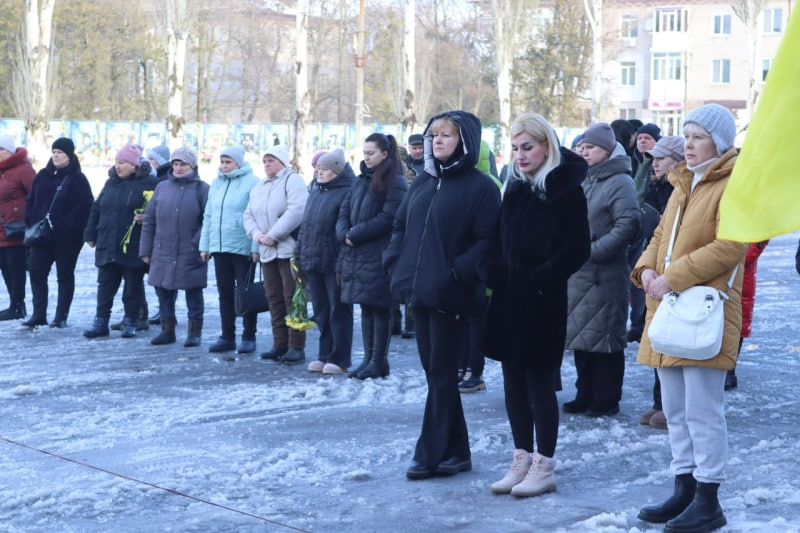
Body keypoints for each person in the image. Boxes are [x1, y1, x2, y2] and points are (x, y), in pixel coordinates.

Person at [632, 104, 747, 532]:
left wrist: (671, 279)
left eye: (698, 136)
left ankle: (708, 499)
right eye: (687, 135)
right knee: (676, 409)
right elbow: (661, 234)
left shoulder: (735, 184)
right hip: (669, 308)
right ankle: (683, 489)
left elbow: (730, 246)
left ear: (719, 141)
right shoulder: (684, 182)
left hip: (704, 310)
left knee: (703, 411)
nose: (689, 144)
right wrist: (645, 268)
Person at [382, 110, 501, 480]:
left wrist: (455, 271)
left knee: (442, 373)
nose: (437, 141)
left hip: (451, 292)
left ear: (464, 141)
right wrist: (393, 258)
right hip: (419, 290)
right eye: (434, 135)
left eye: (446, 135)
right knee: (436, 373)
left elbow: (487, 241)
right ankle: (457, 453)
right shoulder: (422, 182)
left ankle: (430, 453)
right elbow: (400, 225)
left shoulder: (481, 187)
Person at [483, 113, 590, 497]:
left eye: (527, 147)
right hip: (510, 297)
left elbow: (578, 247)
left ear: (547, 146)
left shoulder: (565, 189)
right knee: (512, 381)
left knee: (539, 384)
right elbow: (497, 237)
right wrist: (494, 271)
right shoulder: (515, 186)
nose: (520, 155)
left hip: (542, 300)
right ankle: (522, 458)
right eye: (514, 148)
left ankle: (544, 464)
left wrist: (540, 278)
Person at [563, 122, 639, 417]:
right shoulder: (585, 178)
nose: (583, 152)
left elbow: (628, 225)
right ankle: (585, 393)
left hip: (603, 274)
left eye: (590, 148)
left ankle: (606, 398)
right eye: (581, 147)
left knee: (605, 338)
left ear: (606, 151)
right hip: (579, 272)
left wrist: (593, 251)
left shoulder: (620, 181)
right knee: (582, 336)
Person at [337, 133, 407, 379]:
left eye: (371, 153)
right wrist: (343, 233)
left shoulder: (395, 181)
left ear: (385, 154)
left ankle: (379, 361)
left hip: (379, 255)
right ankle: (367, 359)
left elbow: (389, 219)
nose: (365, 157)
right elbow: (344, 210)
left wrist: (354, 235)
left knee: (380, 309)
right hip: (357, 254)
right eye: (364, 152)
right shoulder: (359, 181)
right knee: (365, 307)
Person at [82, 144, 158, 338]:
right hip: (108, 242)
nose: (118, 166)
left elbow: (158, 210)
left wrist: (146, 218)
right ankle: (100, 323)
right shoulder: (110, 183)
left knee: (132, 287)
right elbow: (96, 210)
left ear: (134, 164)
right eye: (116, 162)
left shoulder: (149, 183)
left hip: (132, 244)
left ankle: (131, 321)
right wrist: (90, 234)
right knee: (105, 286)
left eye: (123, 162)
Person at [243, 145, 308, 364]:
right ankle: (279, 343)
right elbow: (248, 214)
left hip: (288, 250)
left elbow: (297, 210)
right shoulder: (260, 186)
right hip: (267, 250)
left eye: (271, 160)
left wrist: (274, 234)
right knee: (273, 298)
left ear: (282, 161)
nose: (267, 164)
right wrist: (258, 235)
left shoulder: (293, 180)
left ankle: (296, 345)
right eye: (264, 160)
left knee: (292, 298)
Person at [139, 147, 209, 347]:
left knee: (193, 292)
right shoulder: (162, 188)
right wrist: (146, 249)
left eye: (183, 165)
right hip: (162, 249)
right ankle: (167, 330)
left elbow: (207, 221)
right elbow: (150, 220)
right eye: (176, 164)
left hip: (190, 250)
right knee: (163, 291)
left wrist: (197, 244)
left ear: (192, 166)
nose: (178, 168)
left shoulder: (202, 189)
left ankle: (194, 333)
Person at [636, 135, 683, 431]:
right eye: (653, 158)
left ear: (677, 161)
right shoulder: (655, 187)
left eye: (661, 158)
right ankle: (660, 401)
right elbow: (656, 236)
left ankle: (672, 405)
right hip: (656, 272)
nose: (655, 164)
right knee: (658, 338)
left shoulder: (678, 190)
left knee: (674, 342)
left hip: (676, 275)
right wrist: (644, 268)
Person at [22, 138, 93, 328]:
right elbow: (31, 200)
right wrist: (30, 220)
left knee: (64, 275)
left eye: (60, 152)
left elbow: (85, 207)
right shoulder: (43, 175)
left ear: (69, 156)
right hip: (42, 235)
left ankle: (61, 316)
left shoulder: (78, 178)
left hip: (67, 238)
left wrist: (68, 225)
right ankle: (39, 314)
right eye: (54, 151)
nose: (56, 155)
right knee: (36, 272)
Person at [297, 148, 355, 374]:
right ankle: (324, 354)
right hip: (314, 261)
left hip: (334, 263)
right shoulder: (316, 191)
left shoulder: (347, 192)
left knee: (338, 311)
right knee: (321, 310)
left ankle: (340, 357)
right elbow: (306, 227)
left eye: (324, 169)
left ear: (336, 171)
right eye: (317, 168)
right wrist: (300, 254)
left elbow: (344, 231)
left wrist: (342, 263)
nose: (319, 172)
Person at [199, 145, 261, 356]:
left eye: (228, 162)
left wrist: (255, 247)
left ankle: (248, 335)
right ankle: (227, 336)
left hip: (243, 246)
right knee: (225, 294)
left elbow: (257, 216)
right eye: (222, 162)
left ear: (239, 163)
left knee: (246, 293)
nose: (224, 166)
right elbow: (208, 217)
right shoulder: (216, 184)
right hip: (220, 247)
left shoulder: (253, 183)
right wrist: (205, 246)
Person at [458, 139, 503, 393]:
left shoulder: (489, 186)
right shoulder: (463, 184)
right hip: (465, 268)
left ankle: (475, 370)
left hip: (480, 270)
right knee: (463, 322)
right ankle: (463, 366)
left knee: (475, 324)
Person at [0, 135, 35, 320]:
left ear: (10, 151)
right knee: (4, 266)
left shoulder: (23, 170)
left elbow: (37, 194)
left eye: (1, 150)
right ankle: (14, 305)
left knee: (16, 267)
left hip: (16, 228)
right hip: (1, 229)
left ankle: (18, 306)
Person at [727, 240, 768, 390]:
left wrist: (733, 260)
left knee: (738, 323)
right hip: (724, 267)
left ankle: (729, 372)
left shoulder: (757, 218)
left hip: (741, 272)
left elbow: (759, 241)